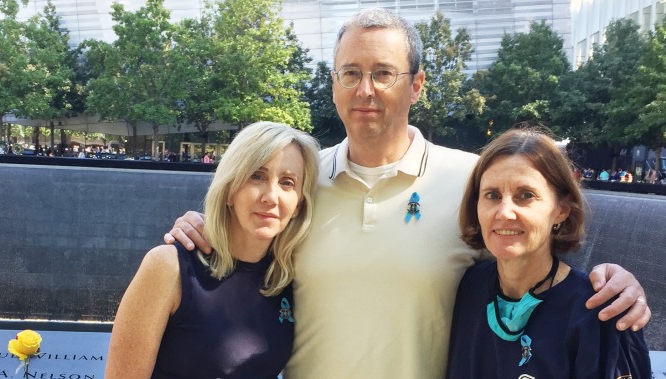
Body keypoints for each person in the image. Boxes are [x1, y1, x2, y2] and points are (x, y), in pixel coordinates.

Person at [165, 8, 651, 378]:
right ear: (334, 83)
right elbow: (242, 249)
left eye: (383, 73)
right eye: (350, 73)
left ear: (417, 84)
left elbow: (535, 252)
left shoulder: (473, 184)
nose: (365, 90)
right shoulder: (298, 187)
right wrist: (203, 225)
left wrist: (614, 282)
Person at [105, 122, 320, 379]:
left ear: (298, 204)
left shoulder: (287, 277)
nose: (271, 197)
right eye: (257, 176)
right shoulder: (168, 267)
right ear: (230, 188)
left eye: (287, 182)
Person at [446, 128, 650, 378]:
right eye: (492, 195)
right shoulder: (469, 288)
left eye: (525, 195)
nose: (504, 212)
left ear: (562, 210)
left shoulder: (600, 314)